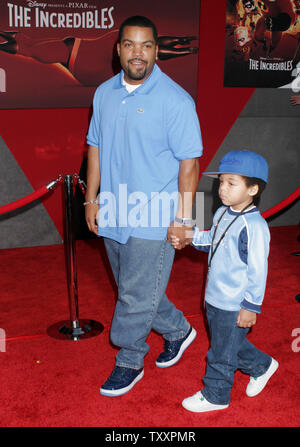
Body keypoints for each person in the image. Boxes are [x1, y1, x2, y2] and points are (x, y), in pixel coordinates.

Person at [85, 16, 203, 397]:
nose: (138, 54)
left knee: (134, 295)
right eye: (131, 45)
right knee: (133, 288)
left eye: (147, 46)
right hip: (115, 210)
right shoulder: (103, 93)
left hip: (155, 214)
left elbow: (190, 164)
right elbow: (95, 146)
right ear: (118, 49)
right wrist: (92, 197)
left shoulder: (175, 100)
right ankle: (178, 330)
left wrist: (184, 218)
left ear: (156, 50)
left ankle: (130, 359)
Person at [171, 150, 278, 412]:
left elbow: (257, 271)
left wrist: (250, 306)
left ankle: (216, 395)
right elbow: (212, 241)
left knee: (220, 352)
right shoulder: (222, 213)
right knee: (228, 343)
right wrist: (189, 236)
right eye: (221, 182)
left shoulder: (254, 226)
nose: (223, 189)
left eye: (232, 183)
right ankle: (262, 365)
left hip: (234, 301)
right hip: (214, 296)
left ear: (252, 189)